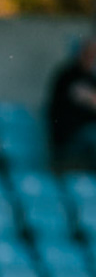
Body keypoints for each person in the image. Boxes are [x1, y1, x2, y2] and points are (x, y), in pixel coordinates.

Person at [47, 33, 96, 172]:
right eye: (89, 54)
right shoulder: (68, 75)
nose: (92, 58)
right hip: (70, 139)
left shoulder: (91, 77)